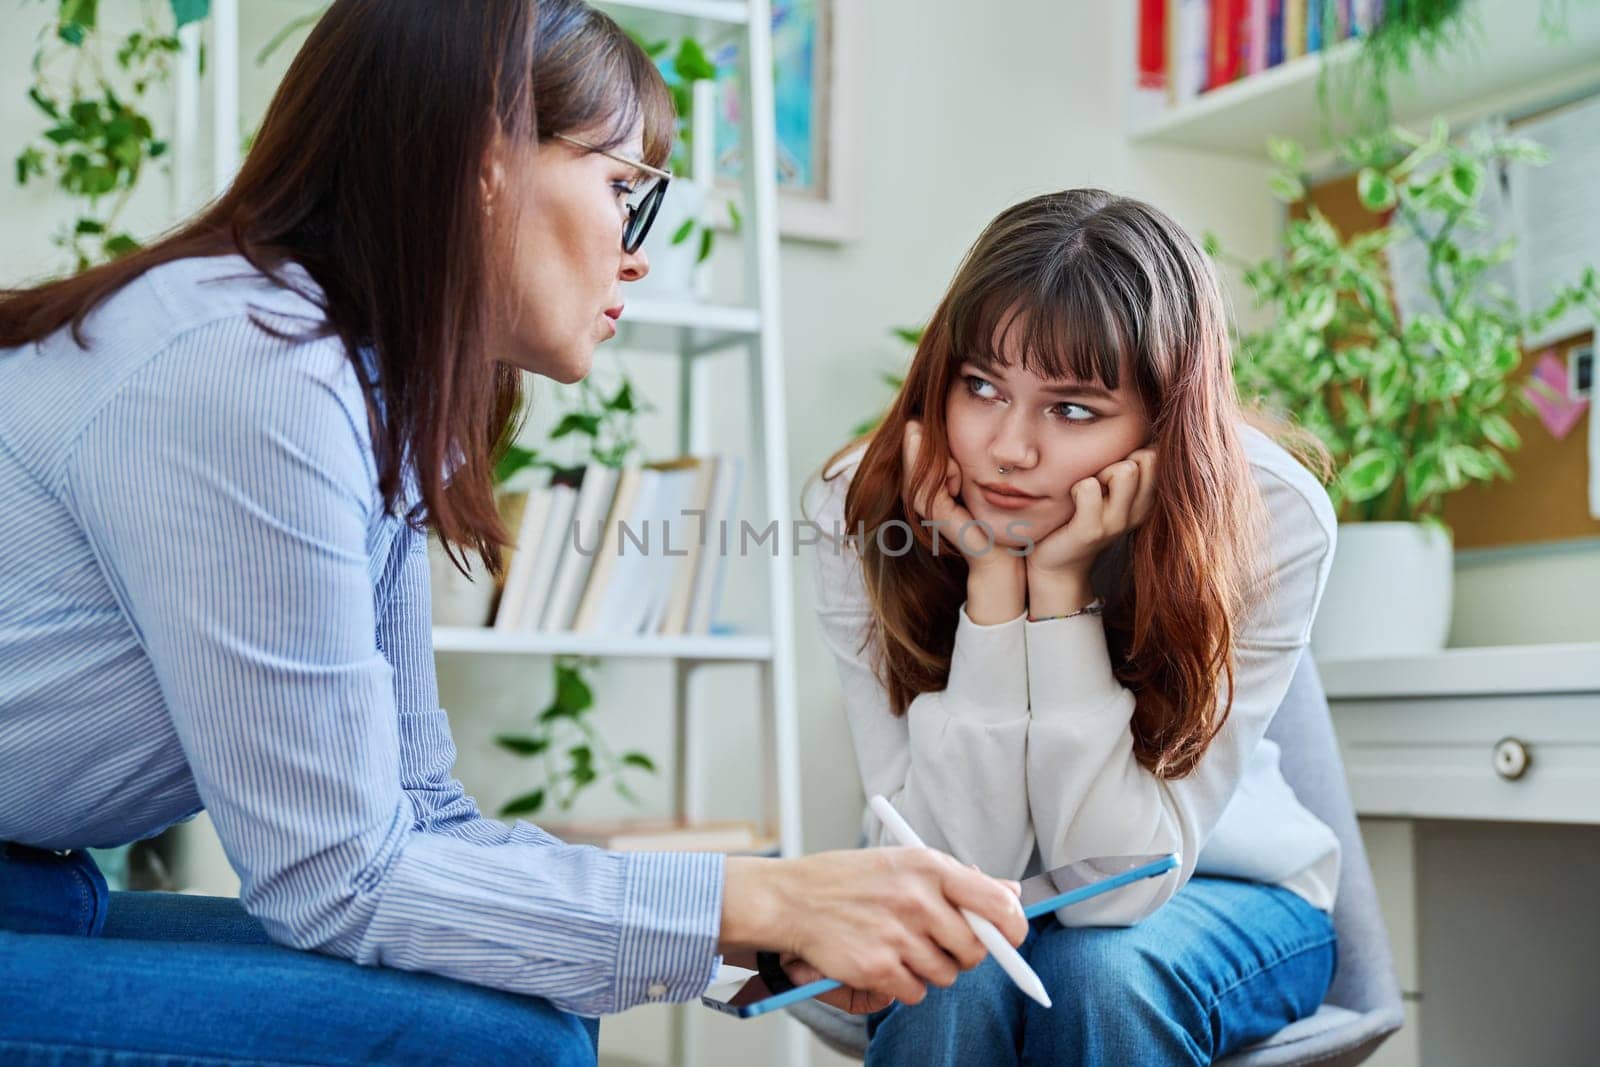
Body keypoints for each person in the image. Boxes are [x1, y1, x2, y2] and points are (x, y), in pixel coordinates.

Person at [0, 3, 1026, 1063]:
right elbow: (341, 876)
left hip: (33, 881)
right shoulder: (252, 369)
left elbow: (420, 813)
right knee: (502, 1044)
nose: (639, 256)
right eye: (625, 190)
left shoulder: (359, 389)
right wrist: (757, 893)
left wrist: (749, 948)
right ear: (484, 160)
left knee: (524, 1019)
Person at [810, 189, 1342, 1065]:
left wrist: (1057, 592)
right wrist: (993, 586)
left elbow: (1113, 892)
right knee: (956, 976)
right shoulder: (860, 507)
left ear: (1164, 422)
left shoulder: (1270, 513)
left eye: (1072, 410)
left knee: (1102, 972)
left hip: (1223, 886)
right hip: (971, 897)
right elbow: (957, 873)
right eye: (981, 387)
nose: (1008, 448)